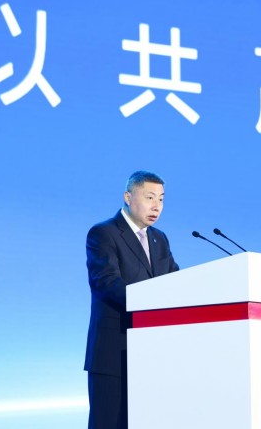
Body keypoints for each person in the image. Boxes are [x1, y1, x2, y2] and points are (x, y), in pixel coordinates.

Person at [84, 171, 179, 429]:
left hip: (152, 354)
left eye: (161, 199)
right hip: (114, 353)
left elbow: (176, 282)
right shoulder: (103, 233)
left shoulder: (160, 239)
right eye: (149, 197)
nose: (157, 206)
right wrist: (151, 304)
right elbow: (106, 282)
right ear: (128, 197)